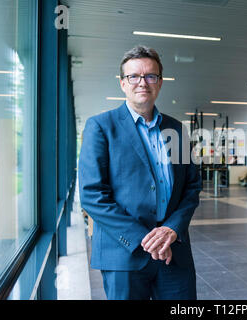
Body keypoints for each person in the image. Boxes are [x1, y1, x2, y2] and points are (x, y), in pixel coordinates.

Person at [78, 46, 202, 300]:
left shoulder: (177, 130)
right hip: (123, 254)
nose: (142, 82)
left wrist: (172, 229)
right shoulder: (100, 127)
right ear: (122, 83)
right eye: (134, 76)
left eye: (150, 76)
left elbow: (191, 187)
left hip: (174, 252)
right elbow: (92, 195)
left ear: (160, 82)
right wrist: (146, 240)